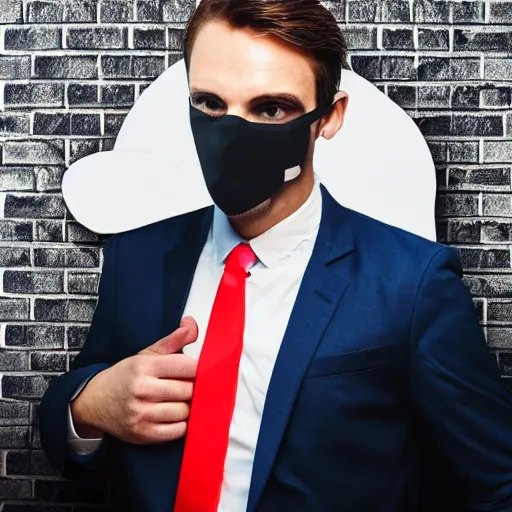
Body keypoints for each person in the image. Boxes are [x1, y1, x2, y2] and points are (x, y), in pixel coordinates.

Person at [39, 0, 512, 511]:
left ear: (328, 118)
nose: (230, 135)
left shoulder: (411, 283)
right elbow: (69, 423)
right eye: (210, 104)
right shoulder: (139, 257)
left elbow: (496, 481)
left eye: (271, 109)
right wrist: (90, 407)